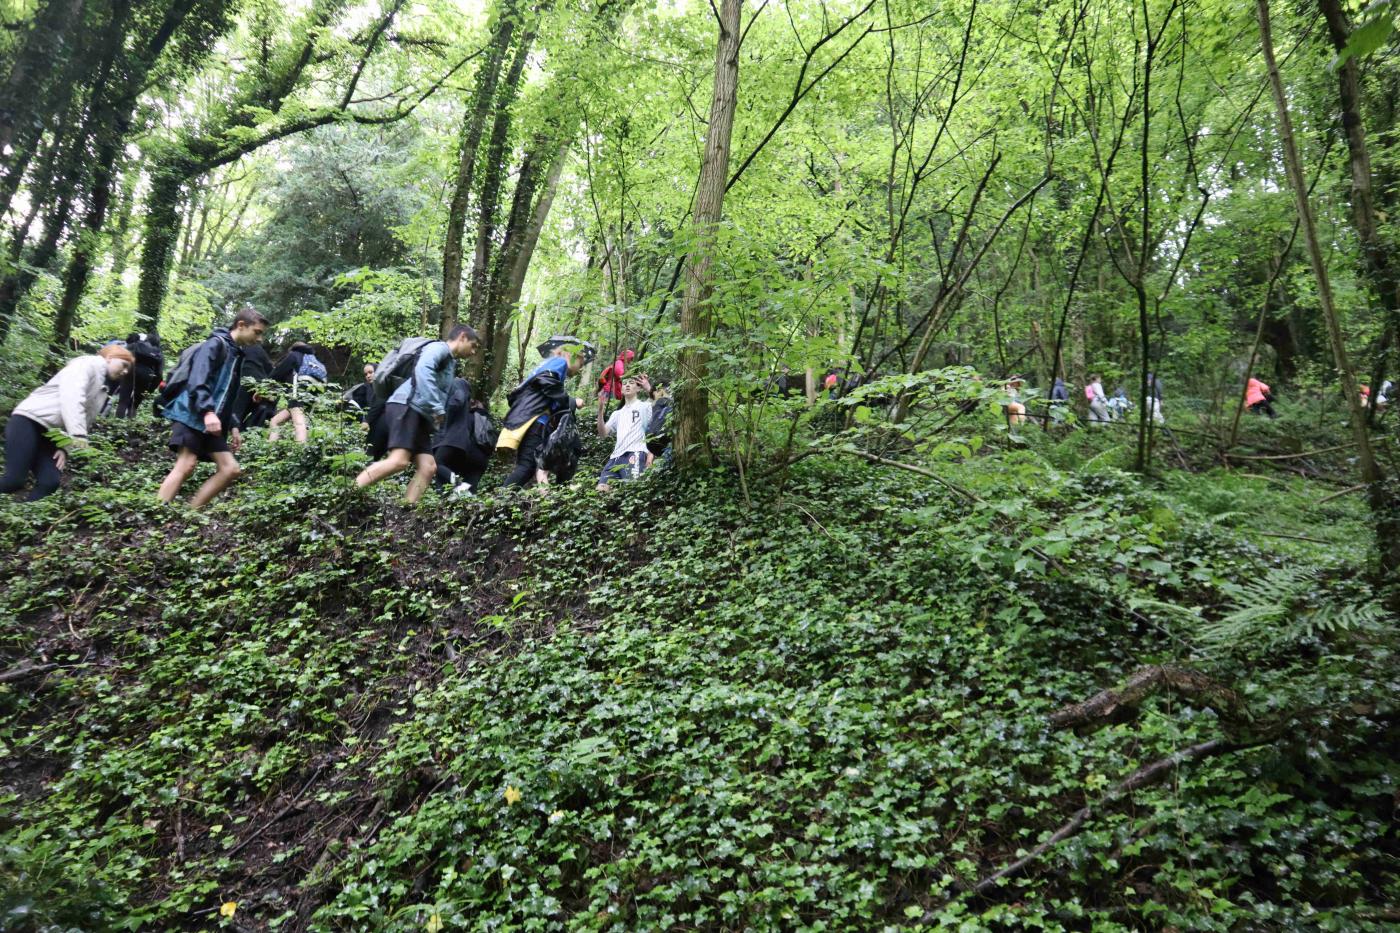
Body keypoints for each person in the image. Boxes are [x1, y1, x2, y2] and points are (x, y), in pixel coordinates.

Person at [156, 307, 269, 510]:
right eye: (257, 332)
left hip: (212, 421)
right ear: (241, 325)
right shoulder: (215, 344)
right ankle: (157, 511)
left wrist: (233, 425)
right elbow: (198, 379)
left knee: (230, 469)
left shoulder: (237, 354)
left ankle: (190, 514)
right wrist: (207, 411)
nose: (259, 339)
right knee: (186, 464)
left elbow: (226, 394)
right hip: (192, 413)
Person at [355, 325, 480, 503]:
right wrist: (437, 408)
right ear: (462, 337)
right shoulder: (439, 348)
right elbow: (423, 370)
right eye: (473, 345)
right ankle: (348, 492)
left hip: (419, 414)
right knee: (398, 461)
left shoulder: (450, 361)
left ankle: (406, 508)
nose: (474, 351)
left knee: (428, 467)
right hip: (406, 406)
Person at [2, 345, 134, 501]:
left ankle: (26, 516)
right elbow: (72, 398)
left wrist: (65, 448)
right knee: (14, 480)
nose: (125, 371)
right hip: (29, 420)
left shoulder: (103, 387)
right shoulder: (87, 364)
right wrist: (78, 435)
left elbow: (86, 418)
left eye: (128, 369)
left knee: (49, 482)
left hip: (52, 434)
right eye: (124, 365)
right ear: (110, 357)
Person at [498, 336, 594, 489]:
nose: (580, 368)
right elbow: (546, 382)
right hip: (536, 421)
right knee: (526, 466)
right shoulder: (560, 362)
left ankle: (509, 496)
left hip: (528, 418)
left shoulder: (548, 364)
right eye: (581, 363)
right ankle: (501, 498)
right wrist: (571, 401)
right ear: (570, 354)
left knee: (530, 466)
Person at [432, 376, 493, 496]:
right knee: (443, 475)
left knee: (434, 463)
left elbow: (456, 402)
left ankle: (458, 483)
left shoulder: (457, 390)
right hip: (470, 450)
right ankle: (459, 498)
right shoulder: (477, 415)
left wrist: (441, 415)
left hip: (451, 440)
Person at [596, 374, 654, 491]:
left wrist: (648, 387)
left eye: (631, 383)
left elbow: (663, 404)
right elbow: (603, 434)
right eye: (625, 383)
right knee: (601, 490)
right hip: (615, 457)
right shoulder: (617, 414)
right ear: (621, 389)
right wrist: (600, 410)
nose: (627, 385)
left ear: (638, 389)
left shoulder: (645, 406)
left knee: (633, 491)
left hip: (635, 453)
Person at [267, 341, 327, 443]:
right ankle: (270, 446)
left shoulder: (294, 354)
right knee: (275, 421)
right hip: (315, 392)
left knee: (299, 422)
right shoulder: (313, 359)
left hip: (299, 389)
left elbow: (278, 372)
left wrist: (264, 386)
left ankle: (300, 449)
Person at [114, 332, 163, 418]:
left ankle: (117, 421)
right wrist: (150, 390)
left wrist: (118, 374)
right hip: (146, 376)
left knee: (123, 401)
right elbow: (159, 374)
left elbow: (122, 357)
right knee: (135, 404)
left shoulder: (136, 345)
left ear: (147, 338)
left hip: (130, 370)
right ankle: (130, 422)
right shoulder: (159, 353)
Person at [234, 342, 276, 430]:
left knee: (238, 412)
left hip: (243, 381)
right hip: (260, 384)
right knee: (260, 410)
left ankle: (236, 430)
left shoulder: (238, 346)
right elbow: (270, 368)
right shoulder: (259, 350)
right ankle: (253, 431)